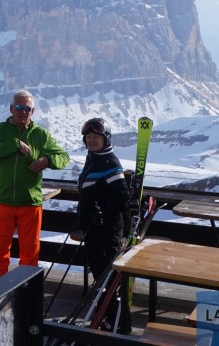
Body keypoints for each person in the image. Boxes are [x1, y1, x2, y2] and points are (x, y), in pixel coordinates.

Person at [0, 89, 70, 284]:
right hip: (3, 201)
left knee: (30, 254)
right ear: (11, 109)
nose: (23, 111)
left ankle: (27, 295)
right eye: (19, 107)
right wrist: (14, 144)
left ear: (33, 111)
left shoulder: (40, 134)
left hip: (30, 203)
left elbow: (64, 157)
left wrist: (47, 161)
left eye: (27, 108)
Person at [77, 117, 130, 333]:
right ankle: (105, 318)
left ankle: (116, 323)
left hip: (106, 233)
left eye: (96, 136)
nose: (91, 140)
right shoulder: (94, 158)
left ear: (105, 138)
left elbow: (123, 196)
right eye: (88, 136)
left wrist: (102, 217)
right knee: (100, 275)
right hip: (95, 231)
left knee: (107, 278)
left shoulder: (108, 162)